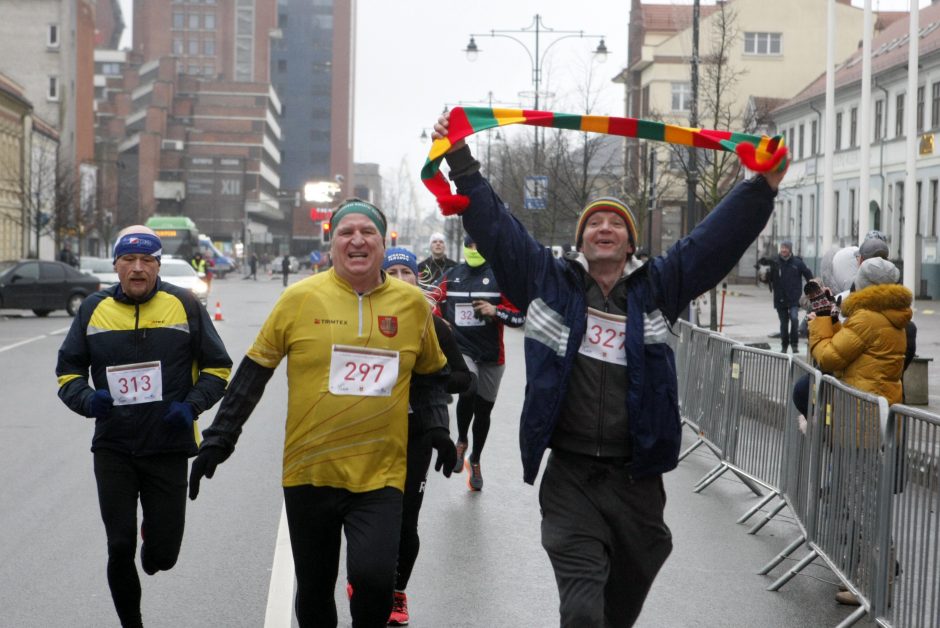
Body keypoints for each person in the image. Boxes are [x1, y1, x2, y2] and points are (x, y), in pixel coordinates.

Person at [432, 112, 785, 626]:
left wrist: (762, 186)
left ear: (630, 242)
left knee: (617, 608)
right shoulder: (547, 283)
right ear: (580, 240)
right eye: (594, 222)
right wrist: (461, 161)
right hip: (571, 476)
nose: (604, 227)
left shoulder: (657, 289)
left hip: (636, 481)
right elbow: (498, 228)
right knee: (581, 611)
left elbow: (712, 243)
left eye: (615, 222)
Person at [187, 198, 458, 628]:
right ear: (331, 243)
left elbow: (430, 376)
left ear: (383, 243)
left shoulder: (410, 305)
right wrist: (220, 438)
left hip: (380, 476)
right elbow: (253, 374)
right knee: (314, 590)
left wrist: (439, 427)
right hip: (309, 472)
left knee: (373, 582)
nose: (356, 240)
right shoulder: (298, 299)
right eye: (345, 232)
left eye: (367, 232)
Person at [55, 226, 232, 628]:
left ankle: (154, 542)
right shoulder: (93, 310)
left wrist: (190, 407)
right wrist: (88, 400)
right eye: (129, 261)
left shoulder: (184, 305)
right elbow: (68, 373)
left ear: (157, 265)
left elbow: (218, 368)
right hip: (113, 446)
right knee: (118, 545)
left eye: (147, 261)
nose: (137, 269)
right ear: (116, 266)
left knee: (163, 556)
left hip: (167, 445)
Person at [807, 257, 912, 607]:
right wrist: (834, 321)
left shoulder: (866, 317)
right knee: (869, 500)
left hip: (860, 422)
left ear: (863, 285)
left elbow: (830, 357)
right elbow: (856, 353)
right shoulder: (892, 317)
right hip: (876, 419)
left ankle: (871, 583)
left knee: (863, 503)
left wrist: (820, 322)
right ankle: (878, 576)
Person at [381, 246, 473, 626]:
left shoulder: (433, 324)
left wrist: (420, 378)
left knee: (406, 520)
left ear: (418, 278)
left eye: (407, 272)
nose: (402, 280)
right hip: (371, 433)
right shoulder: (367, 319)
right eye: (394, 272)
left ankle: (397, 592)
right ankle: (369, 580)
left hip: (416, 431)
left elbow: (464, 377)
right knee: (368, 514)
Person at [436, 234, 525, 491]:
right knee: (468, 387)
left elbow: (520, 318)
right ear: (464, 247)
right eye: (469, 246)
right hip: (462, 349)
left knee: (484, 411)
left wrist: (495, 310)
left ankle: (475, 459)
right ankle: (461, 440)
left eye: (478, 245)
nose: (474, 249)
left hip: (492, 355)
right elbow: (431, 304)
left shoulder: (499, 277)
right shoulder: (452, 275)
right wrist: (440, 319)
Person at [759, 240, 813, 354]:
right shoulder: (775, 263)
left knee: (794, 319)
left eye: (786, 248)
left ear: (790, 250)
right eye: (782, 248)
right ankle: (784, 345)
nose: (783, 250)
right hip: (780, 298)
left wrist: (812, 288)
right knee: (784, 324)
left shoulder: (797, 263)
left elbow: (809, 275)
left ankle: (794, 344)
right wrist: (763, 276)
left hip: (794, 298)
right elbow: (767, 278)